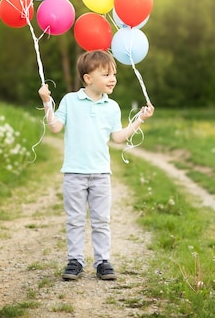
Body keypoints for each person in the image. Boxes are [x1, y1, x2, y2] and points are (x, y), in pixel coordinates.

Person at [38, 50, 154, 281]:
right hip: (74, 174)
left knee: (101, 220)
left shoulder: (112, 107)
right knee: (75, 219)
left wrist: (139, 119)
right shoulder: (70, 101)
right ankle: (75, 261)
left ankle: (102, 261)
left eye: (113, 74)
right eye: (106, 74)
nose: (113, 78)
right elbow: (55, 127)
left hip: (101, 174)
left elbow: (118, 138)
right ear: (88, 78)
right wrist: (46, 102)